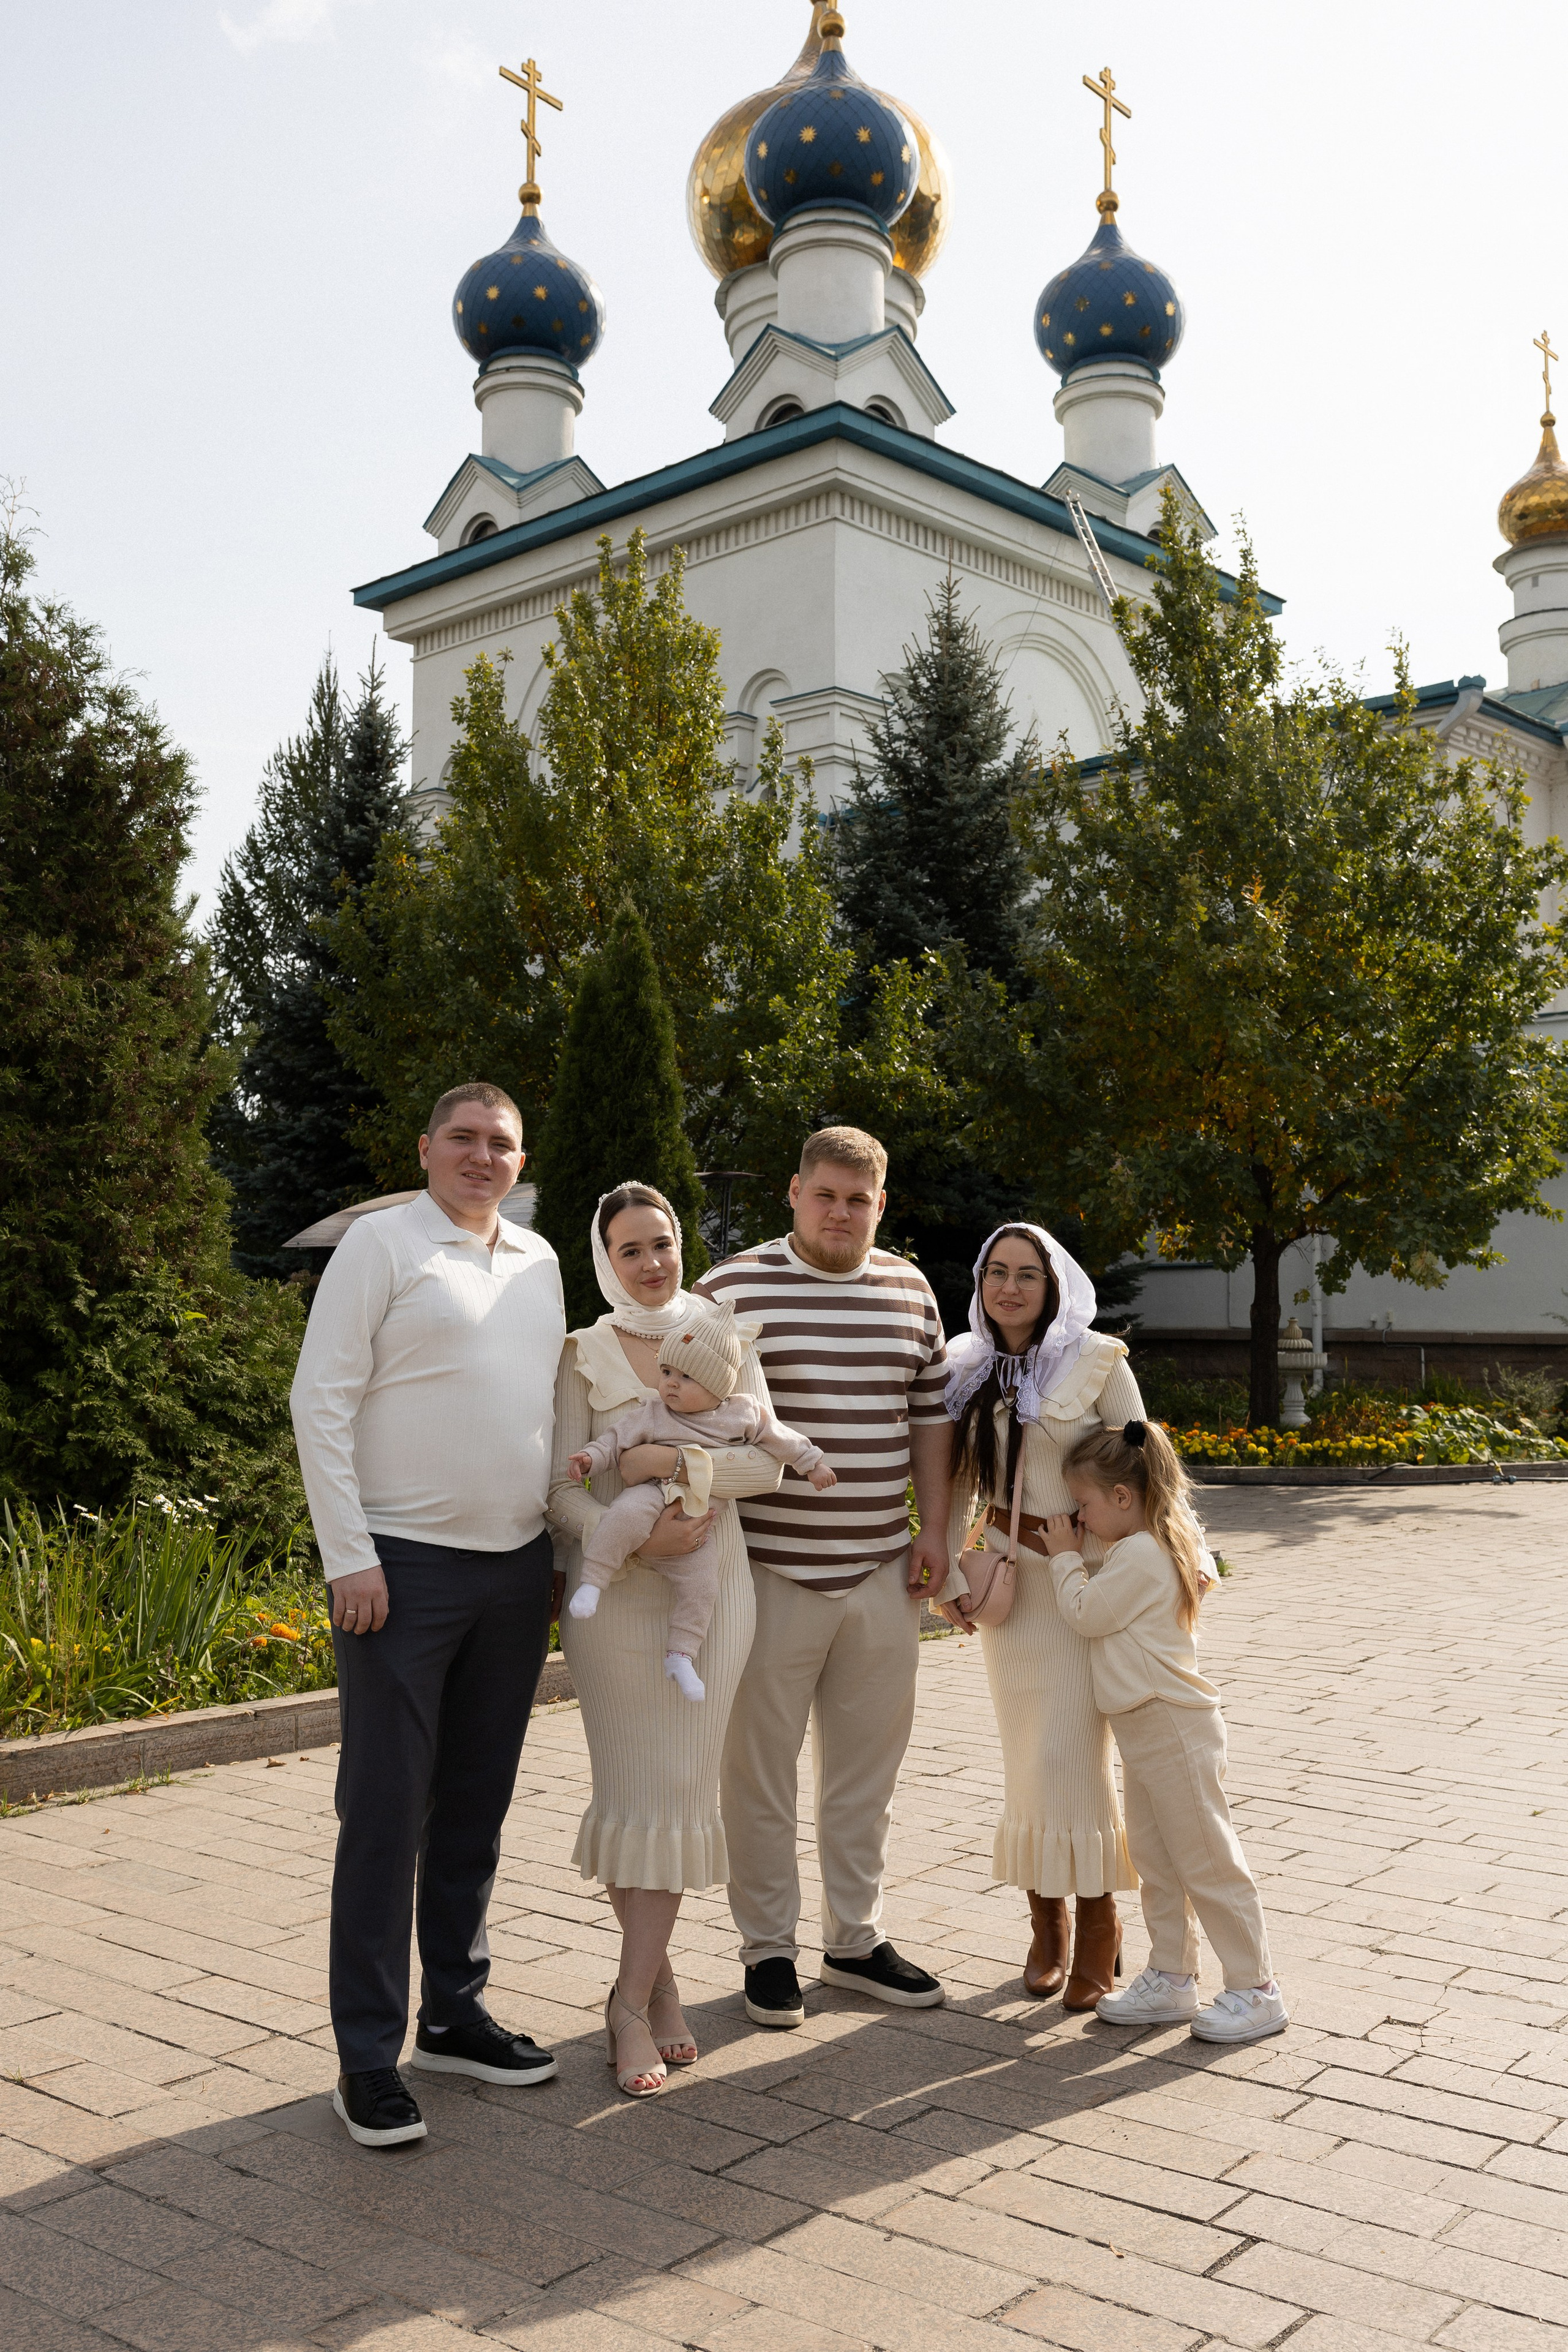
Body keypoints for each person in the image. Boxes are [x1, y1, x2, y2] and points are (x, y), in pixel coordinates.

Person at [290, 1082, 566, 2149]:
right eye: (464, 1138)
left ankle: (453, 2014)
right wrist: (349, 1555)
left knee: (473, 1807)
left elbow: (545, 1410)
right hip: (401, 1573)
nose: (483, 1156)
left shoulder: (539, 1263)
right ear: (426, 1148)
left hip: (514, 1569)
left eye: (502, 1143)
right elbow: (322, 1399)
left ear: (520, 1157)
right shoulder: (383, 1246)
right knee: (385, 1810)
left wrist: (555, 1545)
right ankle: (368, 2055)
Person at [695, 1126, 952, 2029]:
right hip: (768, 1574)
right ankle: (768, 1950)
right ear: (793, 1192)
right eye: (826, 1195)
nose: (841, 1212)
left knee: (865, 1774)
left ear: (882, 1206)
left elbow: (930, 1420)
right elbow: (685, 1405)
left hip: (882, 1569)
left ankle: (855, 1940)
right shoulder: (730, 1289)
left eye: (860, 1199)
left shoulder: (911, 1289)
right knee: (758, 1774)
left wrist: (939, 1532)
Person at [547, 1183, 788, 2095]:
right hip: (616, 1602)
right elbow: (559, 1491)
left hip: (714, 1594)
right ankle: (647, 1995)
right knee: (633, 1793)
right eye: (631, 1250)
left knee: (683, 1791)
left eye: (664, 1242)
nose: (652, 1263)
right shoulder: (581, 1354)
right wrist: (637, 1531)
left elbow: (766, 1460)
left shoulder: (725, 1334)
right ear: (605, 1261)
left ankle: (630, 1990)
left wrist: (666, 1464)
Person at [935, 1224, 1142, 2011]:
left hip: (1081, 1582)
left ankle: (1099, 1927)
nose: (1010, 1288)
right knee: (1026, 1757)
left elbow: (1144, 1465)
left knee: (1072, 1759)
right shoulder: (968, 1365)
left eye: (1027, 1274)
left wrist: (1165, 1566)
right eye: (997, 1273)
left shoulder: (1097, 1361)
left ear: (1053, 1286)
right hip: (1009, 1587)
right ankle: (1044, 1926)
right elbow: (955, 1478)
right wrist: (948, 1571)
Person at [1045, 1420, 1288, 2043]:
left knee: (1207, 1860)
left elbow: (1085, 1614)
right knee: (1156, 1858)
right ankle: (1172, 1976)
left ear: (1123, 1498)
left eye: (1085, 1504)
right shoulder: (1148, 1542)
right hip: (1144, 1725)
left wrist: (1063, 1558)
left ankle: (1255, 1988)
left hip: (1172, 1725)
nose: (1080, 1516)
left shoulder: (1142, 1554)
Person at [567, 1298, 835, 1701]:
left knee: (703, 1584)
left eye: (686, 1376)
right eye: (667, 1371)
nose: (671, 1382)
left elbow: (780, 1439)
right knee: (624, 1515)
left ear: (716, 1384)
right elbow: (615, 1440)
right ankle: (594, 1580)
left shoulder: (743, 1412)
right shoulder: (653, 1411)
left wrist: (811, 1463)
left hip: (700, 1517)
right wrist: (591, 1459)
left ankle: (682, 1653)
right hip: (652, 1493)